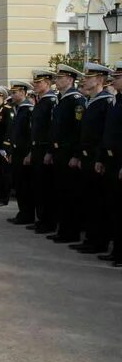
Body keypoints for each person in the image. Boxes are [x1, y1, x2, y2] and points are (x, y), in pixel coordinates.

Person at [69, 63, 115, 254]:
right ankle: (90, 238)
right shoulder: (90, 101)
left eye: (89, 77)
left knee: (99, 203)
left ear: (100, 80)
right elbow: (84, 134)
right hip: (86, 158)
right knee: (88, 200)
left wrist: (100, 158)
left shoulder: (105, 102)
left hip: (97, 159)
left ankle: (98, 241)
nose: (85, 80)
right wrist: (80, 155)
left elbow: (104, 135)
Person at [45, 64, 86, 244]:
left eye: (60, 78)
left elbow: (78, 130)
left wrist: (76, 154)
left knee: (70, 194)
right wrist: (52, 151)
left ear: (70, 79)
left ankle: (71, 232)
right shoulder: (62, 99)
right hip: (60, 152)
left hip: (69, 154)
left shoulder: (75, 100)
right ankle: (64, 230)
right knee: (60, 192)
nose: (56, 81)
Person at [27, 69, 58, 234]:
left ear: (47, 83)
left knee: (46, 188)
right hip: (37, 148)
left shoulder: (51, 101)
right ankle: (42, 219)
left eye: (38, 82)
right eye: (35, 82)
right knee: (38, 186)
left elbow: (51, 129)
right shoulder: (41, 101)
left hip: (45, 148)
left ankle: (48, 221)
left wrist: (49, 151)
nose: (35, 85)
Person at [97, 63, 122, 266]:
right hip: (111, 160)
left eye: (118, 76)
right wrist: (102, 159)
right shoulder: (117, 100)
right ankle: (117, 252)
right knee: (113, 207)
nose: (113, 79)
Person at [7, 81, 35, 225]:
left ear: (23, 93)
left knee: (25, 185)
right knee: (19, 184)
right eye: (12, 92)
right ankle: (22, 212)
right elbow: (15, 134)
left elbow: (31, 134)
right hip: (17, 152)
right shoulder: (18, 109)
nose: (12, 95)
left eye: (15, 92)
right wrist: (11, 151)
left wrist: (30, 153)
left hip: (24, 153)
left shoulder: (28, 109)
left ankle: (27, 214)